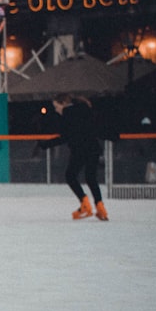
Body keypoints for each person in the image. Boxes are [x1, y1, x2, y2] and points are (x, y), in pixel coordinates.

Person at [38, 93, 108, 221]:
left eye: (56, 106)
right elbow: (98, 127)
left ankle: (85, 204)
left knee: (70, 176)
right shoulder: (85, 109)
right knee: (91, 177)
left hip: (80, 150)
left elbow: (64, 137)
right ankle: (100, 207)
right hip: (93, 148)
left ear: (63, 103)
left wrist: (45, 144)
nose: (56, 110)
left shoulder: (67, 114)